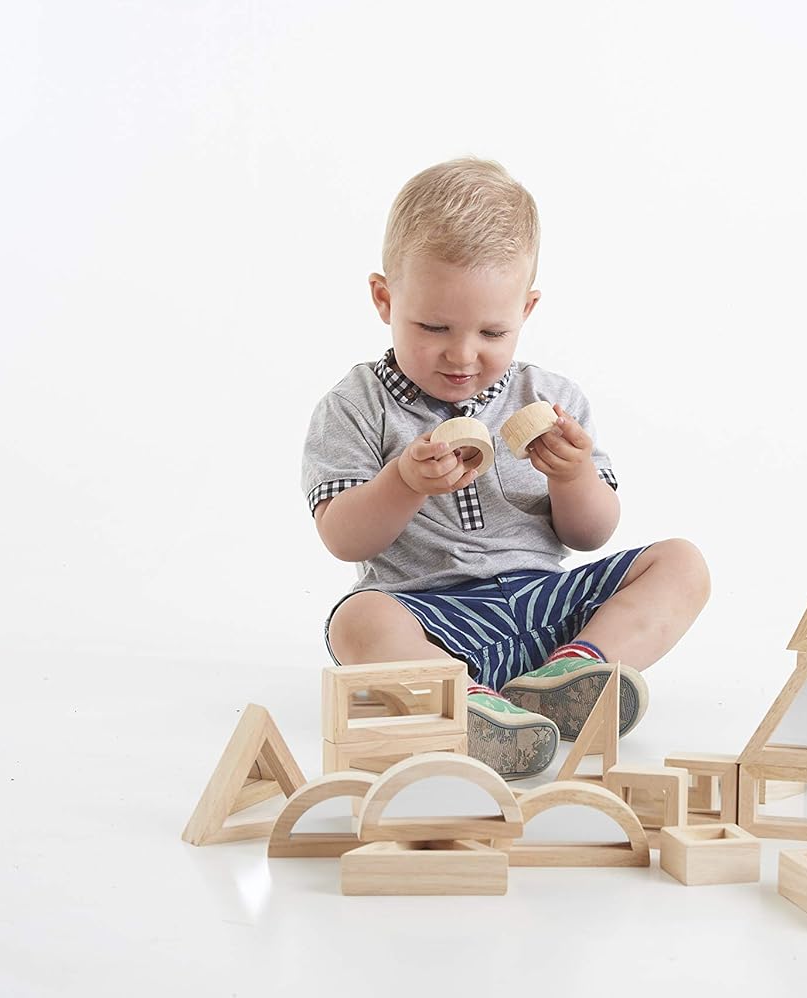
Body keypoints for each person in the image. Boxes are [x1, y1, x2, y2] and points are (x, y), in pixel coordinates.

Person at [301, 156, 710, 779]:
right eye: (433, 326)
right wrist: (402, 483)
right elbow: (343, 538)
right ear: (384, 299)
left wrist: (572, 477)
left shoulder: (550, 400)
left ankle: (574, 673)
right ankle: (463, 702)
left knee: (682, 563)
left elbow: (590, 535)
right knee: (357, 620)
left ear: (527, 309)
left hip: (547, 606)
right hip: (432, 615)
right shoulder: (356, 406)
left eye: (492, 332)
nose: (462, 354)